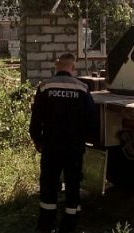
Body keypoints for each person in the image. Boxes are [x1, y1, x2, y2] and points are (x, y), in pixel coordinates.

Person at [29, 53, 97, 233]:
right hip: (74, 148)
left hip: (51, 147)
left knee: (49, 184)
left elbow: (36, 118)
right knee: (73, 184)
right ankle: (69, 225)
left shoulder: (45, 87)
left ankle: (46, 225)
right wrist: (88, 140)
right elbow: (91, 119)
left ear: (56, 66)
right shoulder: (82, 89)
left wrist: (37, 139)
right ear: (73, 68)